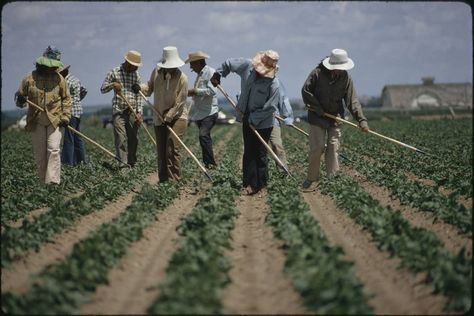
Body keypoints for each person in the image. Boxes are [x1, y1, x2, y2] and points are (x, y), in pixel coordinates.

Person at [211, 50, 291, 195]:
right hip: (246, 115)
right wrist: (218, 74)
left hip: (264, 121)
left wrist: (253, 119)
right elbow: (229, 63)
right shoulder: (247, 66)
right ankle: (248, 183)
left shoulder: (274, 84)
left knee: (260, 153)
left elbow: (270, 108)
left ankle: (260, 184)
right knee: (248, 151)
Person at [301, 48, 369, 192]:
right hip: (317, 117)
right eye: (338, 68)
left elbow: (352, 101)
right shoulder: (317, 73)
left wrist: (361, 120)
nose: (340, 70)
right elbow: (305, 91)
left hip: (335, 117)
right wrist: (317, 107)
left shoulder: (346, 78)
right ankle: (312, 178)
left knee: (333, 147)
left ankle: (333, 180)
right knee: (318, 147)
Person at [14, 46, 71, 185]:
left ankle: (52, 182)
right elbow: (19, 98)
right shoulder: (29, 78)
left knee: (54, 149)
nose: (53, 69)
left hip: (55, 120)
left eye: (55, 67)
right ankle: (42, 182)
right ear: (42, 64)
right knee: (40, 153)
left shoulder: (59, 79)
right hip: (36, 120)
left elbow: (66, 99)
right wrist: (20, 99)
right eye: (50, 66)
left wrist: (65, 117)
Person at [135, 46, 189, 182]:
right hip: (159, 116)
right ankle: (163, 180)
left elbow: (180, 102)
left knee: (171, 149)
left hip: (177, 117)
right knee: (161, 151)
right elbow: (148, 89)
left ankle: (174, 180)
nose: (171, 68)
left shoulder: (183, 78)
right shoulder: (157, 72)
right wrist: (139, 88)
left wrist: (169, 116)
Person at [100, 50, 144, 168]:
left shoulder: (137, 75)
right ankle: (123, 165)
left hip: (132, 111)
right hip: (118, 110)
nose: (136, 68)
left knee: (134, 138)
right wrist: (113, 85)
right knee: (120, 138)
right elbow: (103, 89)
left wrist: (139, 112)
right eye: (134, 66)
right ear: (128, 63)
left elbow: (139, 95)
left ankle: (132, 162)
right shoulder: (114, 72)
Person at [185, 50, 219, 169]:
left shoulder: (211, 72)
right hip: (200, 113)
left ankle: (210, 163)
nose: (191, 67)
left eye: (192, 64)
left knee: (203, 135)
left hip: (210, 112)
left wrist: (195, 91)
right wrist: (192, 93)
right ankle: (208, 162)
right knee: (204, 137)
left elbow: (212, 91)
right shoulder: (199, 75)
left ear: (198, 62)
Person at [59, 64, 88, 166]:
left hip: (70, 112)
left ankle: (67, 163)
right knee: (77, 137)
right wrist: (77, 100)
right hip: (78, 111)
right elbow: (84, 90)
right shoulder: (75, 79)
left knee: (69, 138)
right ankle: (81, 160)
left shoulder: (65, 82)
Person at [269, 80, 294, 173]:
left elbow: (284, 100)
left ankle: (283, 172)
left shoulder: (277, 83)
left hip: (273, 119)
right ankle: (259, 178)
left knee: (277, 145)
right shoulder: (253, 80)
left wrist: (289, 117)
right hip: (256, 119)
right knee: (258, 149)